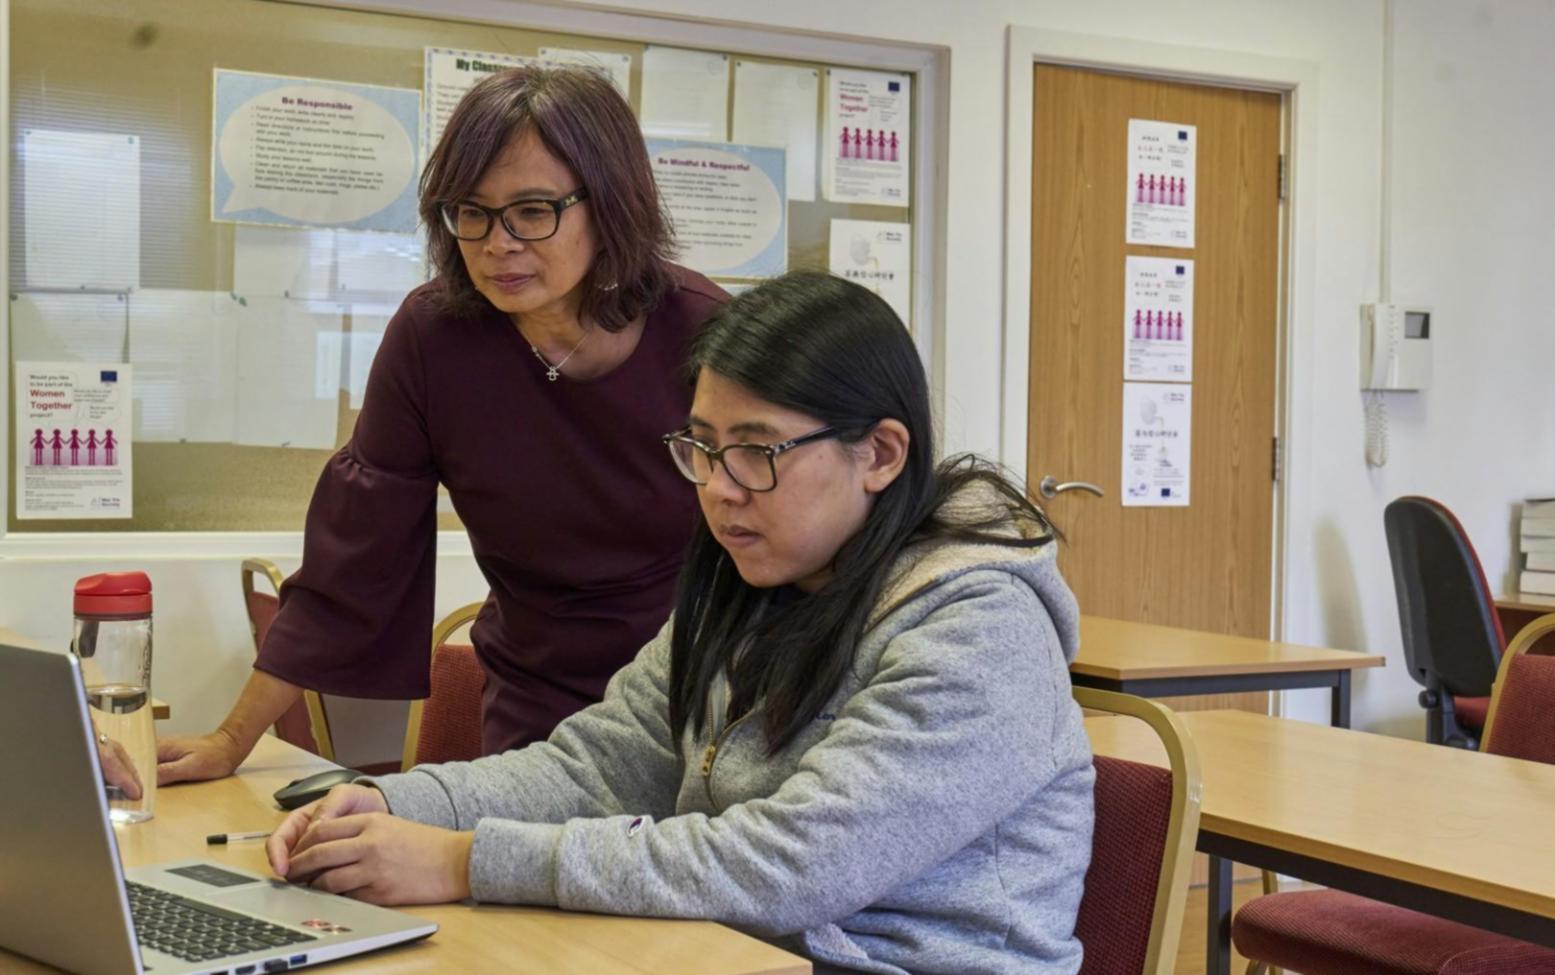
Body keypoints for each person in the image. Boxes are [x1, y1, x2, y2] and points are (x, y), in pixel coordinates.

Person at [266, 271, 1096, 975]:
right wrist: (387, 802)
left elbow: (790, 864)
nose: (719, 489)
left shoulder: (979, 627)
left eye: (757, 452)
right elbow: (598, 766)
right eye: (701, 448)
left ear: (879, 453)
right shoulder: (752, 584)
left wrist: (462, 860)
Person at [157, 65, 726, 784]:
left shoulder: (708, 334)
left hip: (701, 692)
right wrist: (229, 740)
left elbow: (791, 541)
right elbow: (354, 557)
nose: (497, 243)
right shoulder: (435, 338)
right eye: (471, 212)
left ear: (610, 204)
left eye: (532, 211)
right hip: (537, 700)